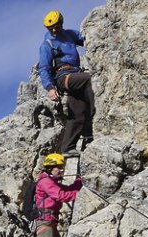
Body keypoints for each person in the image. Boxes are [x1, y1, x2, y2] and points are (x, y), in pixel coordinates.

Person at [39, 10, 92, 154]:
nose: (54, 30)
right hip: (63, 77)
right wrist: (50, 88)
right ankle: (94, 116)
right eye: (51, 28)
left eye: (56, 26)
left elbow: (87, 39)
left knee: (78, 112)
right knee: (90, 79)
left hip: (75, 75)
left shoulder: (69, 35)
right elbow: (43, 68)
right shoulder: (47, 45)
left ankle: (68, 147)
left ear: (61, 23)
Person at [32, 153, 83, 237]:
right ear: (49, 168)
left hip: (50, 222)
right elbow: (61, 195)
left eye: (62, 167)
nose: (61, 170)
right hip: (44, 222)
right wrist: (82, 194)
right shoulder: (45, 182)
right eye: (58, 168)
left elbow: (66, 190)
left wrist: (79, 181)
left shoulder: (52, 182)